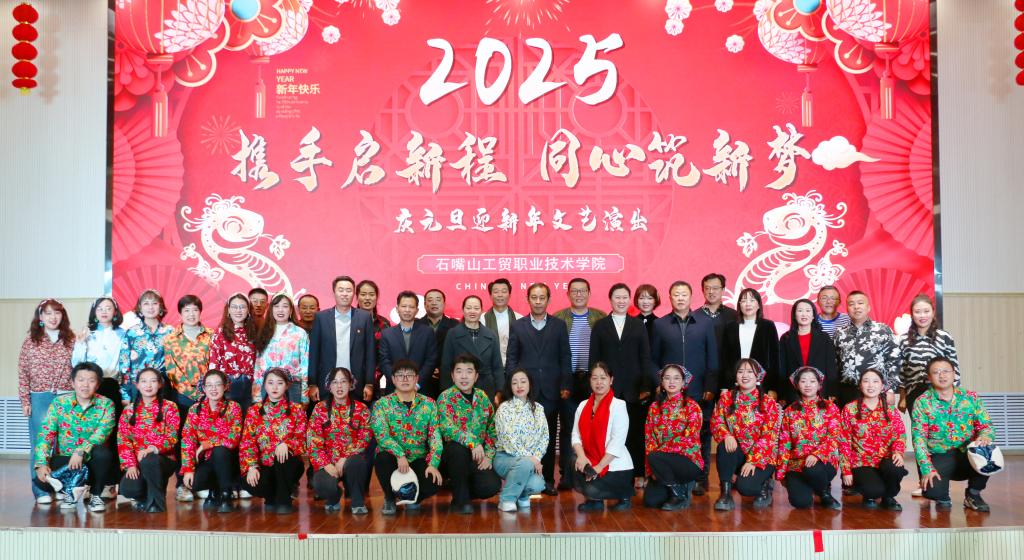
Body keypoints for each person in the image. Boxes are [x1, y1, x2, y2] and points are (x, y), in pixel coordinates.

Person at [650, 281, 719, 496]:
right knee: (672, 435)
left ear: (691, 297)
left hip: (698, 391)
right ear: (670, 298)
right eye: (676, 294)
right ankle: (674, 477)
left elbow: (712, 359)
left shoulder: (705, 323)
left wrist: (710, 386)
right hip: (670, 393)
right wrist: (658, 384)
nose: (680, 298)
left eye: (684, 294)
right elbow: (653, 360)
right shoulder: (660, 325)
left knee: (701, 436)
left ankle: (700, 479)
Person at [505, 283, 572, 495]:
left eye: (542, 297)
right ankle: (525, 479)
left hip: (552, 390)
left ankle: (547, 481)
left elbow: (565, 357)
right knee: (525, 437)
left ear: (548, 300)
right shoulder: (518, 326)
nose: (538, 301)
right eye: (534, 297)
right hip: (526, 391)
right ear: (528, 299)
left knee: (548, 437)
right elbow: (512, 358)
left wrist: (565, 384)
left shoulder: (559, 325)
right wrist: (514, 385)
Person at [589, 283, 655, 489]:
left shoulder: (638, 325)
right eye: (617, 297)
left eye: (625, 297)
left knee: (635, 434)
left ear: (629, 300)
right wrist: (597, 385)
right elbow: (594, 359)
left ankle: (638, 473)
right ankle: (608, 473)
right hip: (608, 390)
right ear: (610, 299)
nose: (621, 301)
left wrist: (646, 387)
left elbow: (645, 358)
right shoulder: (600, 326)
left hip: (634, 390)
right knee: (608, 434)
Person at [913, 357, 996, 512]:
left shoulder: (970, 397)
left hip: (968, 453)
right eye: (936, 372)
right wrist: (926, 468)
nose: (942, 375)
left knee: (989, 452)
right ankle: (942, 495)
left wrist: (985, 436)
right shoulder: (922, 402)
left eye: (946, 371)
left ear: (954, 373)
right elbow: (919, 439)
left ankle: (973, 494)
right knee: (934, 493)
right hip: (939, 455)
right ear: (929, 377)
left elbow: (986, 425)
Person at [32, 362, 115, 513]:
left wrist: (81, 451)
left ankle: (95, 495)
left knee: (103, 453)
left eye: (91, 380)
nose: (85, 385)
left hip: (93, 461)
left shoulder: (106, 404)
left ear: (97, 384)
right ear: (72, 383)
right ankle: (70, 493)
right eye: (81, 380)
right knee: (41, 482)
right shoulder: (59, 403)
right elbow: (46, 434)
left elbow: (101, 434)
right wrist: (41, 463)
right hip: (66, 460)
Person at [19, 298, 76, 504]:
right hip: (40, 396)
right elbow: (23, 372)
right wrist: (25, 401)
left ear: (63, 316)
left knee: (63, 445)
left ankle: (60, 486)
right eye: (48, 313)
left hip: (66, 396)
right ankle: (41, 490)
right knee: (40, 445)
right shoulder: (31, 341)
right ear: (41, 317)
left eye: (57, 313)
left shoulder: (71, 340)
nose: (53, 317)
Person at [370, 359, 443, 515]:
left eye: (409, 375)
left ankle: (412, 498)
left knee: (434, 481)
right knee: (382, 458)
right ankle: (390, 498)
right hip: (392, 458)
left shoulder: (429, 404)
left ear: (416, 378)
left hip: (417, 457)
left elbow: (435, 437)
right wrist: (400, 454)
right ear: (393, 379)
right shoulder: (382, 404)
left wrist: (433, 464)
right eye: (400, 375)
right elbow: (382, 435)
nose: (405, 379)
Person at [162, 294, 213, 502]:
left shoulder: (211, 336)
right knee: (183, 440)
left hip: (209, 395)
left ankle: (201, 482)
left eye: (195, 310)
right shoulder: (171, 338)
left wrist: (205, 391)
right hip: (181, 396)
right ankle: (183, 484)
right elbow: (171, 369)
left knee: (205, 437)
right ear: (180, 314)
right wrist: (191, 393)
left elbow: (215, 365)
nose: (191, 314)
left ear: (200, 312)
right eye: (186, 311)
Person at [711, 359, 781, 511]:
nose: (745, 375)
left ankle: (765, 485)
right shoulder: (726, 398)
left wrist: (753, 461)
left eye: (750, 372)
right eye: (740, 371)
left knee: (746, 488)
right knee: (724, 445)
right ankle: (725, 494)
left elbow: (769, 436)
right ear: (735, 375)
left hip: (762, 456)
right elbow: (717, 422)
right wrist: (726, 435)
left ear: (758, 376)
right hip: (737, 453)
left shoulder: (768, 402)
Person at [436, 354, 502, 513]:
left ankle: (460, 492)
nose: (464, 376)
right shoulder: (445, 397)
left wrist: (489, 456)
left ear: (476, 376)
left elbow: (492, 429)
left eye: (469, 371)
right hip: (452, 457)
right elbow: (446, 427)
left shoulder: (482, 397)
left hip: (477, 457)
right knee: (457, 449)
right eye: (459, 371)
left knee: (492, 486)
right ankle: (461, 501)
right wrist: (473, 443)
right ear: (452, 376)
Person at [240, 368, 308, 514]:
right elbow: (247, 442)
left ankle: (284, 500)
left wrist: (287, 444)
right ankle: (271, 497)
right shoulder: (254, 411)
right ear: (264, 385)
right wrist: (251, 466)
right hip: (264, 464)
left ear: (287, 385)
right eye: (270, 383)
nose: (275, 387)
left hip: (288, 464)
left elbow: (302, 439)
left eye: (280, 383)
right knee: (248, 481)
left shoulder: (297, 409)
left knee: (283, 456)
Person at [839, 369, 908, 511]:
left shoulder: (890, 410)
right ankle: (869, 491)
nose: (870, 385)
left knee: (895, 468)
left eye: (875, 381)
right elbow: (844, 441)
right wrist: (846, 470)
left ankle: (889, 497)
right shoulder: (849, 409)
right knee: (873, 491)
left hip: (885, 459)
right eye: (866, 381)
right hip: (861, 462)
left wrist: (898, 452)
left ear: (882, 386)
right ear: (860, 385)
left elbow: (900, 435)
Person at [776, 367, 843, 510]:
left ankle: (824, 493)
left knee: (813, 470)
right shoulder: (789, 411)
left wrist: (817, 454)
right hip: (797, 463)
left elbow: (834, 436)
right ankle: (811, 487)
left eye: (812, 381)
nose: (808, 385)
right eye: (803, 381)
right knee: (800, 503)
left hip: (823, 461)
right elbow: (784, 443)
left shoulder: (830, 407)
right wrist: (781, 473)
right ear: (796, 385)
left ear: (819, 385)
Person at [308, 367, 372, 515]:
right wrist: (326, 464)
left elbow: (365, 437)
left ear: (350, 384)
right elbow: (313, 442)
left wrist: (345, 457)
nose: (339, 386)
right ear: (329, 387)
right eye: (335, 382)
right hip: (328, 461)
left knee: (358, 463)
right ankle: (334, 497)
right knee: (320, 484)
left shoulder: (361, 409)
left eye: (343, 381)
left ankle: (357, 502)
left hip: (351, 461)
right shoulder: (320, 409)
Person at [570, 362, 633, 512]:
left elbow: (617, 443)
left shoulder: (619, 405)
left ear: (611, 380)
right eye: (595, 378)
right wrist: (582, 457)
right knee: (573, 459)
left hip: (613, 464)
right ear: (590, 381)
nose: (599, 382)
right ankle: (595, 500)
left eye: (603, 378)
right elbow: (575, 435)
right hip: (590, 459)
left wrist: (598, 467)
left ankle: (622, 495)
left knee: (597, 480)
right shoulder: (582, 405)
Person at [117, 368, 180, 513]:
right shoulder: (129, 410)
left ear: (160, 384)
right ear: (137, 385)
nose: (148, 385)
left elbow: (172, 437)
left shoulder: (170, 407)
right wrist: (130, 465)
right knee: (128, 488)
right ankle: (144, 496)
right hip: (138, 461)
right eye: (144, 381)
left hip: (162, 459)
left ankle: (156, 505)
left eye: (153, 381)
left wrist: (151, 449)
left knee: (151, 460)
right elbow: (123, 440)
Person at [180, 369, 243, 513]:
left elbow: (233, 439)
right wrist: (188, 468)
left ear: (225, 386)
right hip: (206, 460)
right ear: (204, 388)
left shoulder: (233, 407)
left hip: (229, 460)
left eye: (218, 384)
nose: (213, 389)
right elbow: (187, 439)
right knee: (194, 482)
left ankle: (226, 494)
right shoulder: (195, 409)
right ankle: (213, 490)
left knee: (220, 451)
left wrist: (205, 445)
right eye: (209, 385)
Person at [643, 364, 703, 511]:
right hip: (660, 463)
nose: (671, 382)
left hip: (687, 460)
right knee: (651, 501)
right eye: (667, 378)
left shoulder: (692, 406)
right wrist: (652, 469)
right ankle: (676, 488)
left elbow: (689, 439)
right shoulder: (654, 407)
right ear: (662, 382)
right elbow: (649, 438)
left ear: (683, 383)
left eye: (676, 378)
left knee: (655, 456)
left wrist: (658, 456)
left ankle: (680, 494)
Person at [309, 276, 376, 403]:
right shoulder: (321, 318)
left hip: (357, 384)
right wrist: (312, 383)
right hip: (327, 383)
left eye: (349, 290)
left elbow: (370, 354)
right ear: (334, 292)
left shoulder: (364, 317)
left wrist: (369, 383)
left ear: (354, 294)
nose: (345, 294)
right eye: (341, 290)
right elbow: (314, 354)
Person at [492, 368, 548, 512]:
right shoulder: (504, 408)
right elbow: (508, 440)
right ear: (510, 387)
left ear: (530, 384)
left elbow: (544, 437)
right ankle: (506, 500)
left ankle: (522, 496)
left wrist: (536, 457)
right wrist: (531, 460)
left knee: (538, 485)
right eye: (514, 383)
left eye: (523, 381)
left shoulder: (539, 409)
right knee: (524, 464)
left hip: (530, 460)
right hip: (505, 457)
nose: (519, 386)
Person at [834, 291, 900, 404]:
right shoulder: (840, 334)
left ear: (868, 307)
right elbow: (835, 365)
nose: (856, 307)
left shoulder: (882, 330)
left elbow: (894, 360)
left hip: (876, 391)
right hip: (847, 392)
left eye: (860, 303)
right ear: (847, 309)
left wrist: (890, 389)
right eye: (851, 304)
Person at [898, 294, 960, 415]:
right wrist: (902, 397)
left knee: (941, 426)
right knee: (919, 426)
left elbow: (954, 368)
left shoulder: (944, 337)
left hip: (940, 392)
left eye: (926, 311)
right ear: (912, 314)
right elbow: (901, 372)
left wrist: (955, 394)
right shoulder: (903, 340)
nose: (922, 315)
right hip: (914, 394)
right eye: (918, 312)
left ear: (933, 312)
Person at [441, 295, 505, 400]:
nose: (472, 311)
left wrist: (500, 391)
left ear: (481, 311)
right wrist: (447, 391)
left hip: (486, 387)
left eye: (476, 308)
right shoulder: (453, 333)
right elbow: (446, 365)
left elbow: (497, 366)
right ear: (463, 310)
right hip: (460, 386)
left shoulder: (491, 335)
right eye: (468, 308)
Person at [719, 288, 780, 397]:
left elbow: (775, 359)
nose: (748, 304)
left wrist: (773, 387)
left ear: (758, 305)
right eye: (744, 300)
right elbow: (725, 359)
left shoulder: (768, 326)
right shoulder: (730, 327)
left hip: (762, 385)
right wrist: (724, 387)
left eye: (752, 300)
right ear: (739, 305)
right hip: (735, 384)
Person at [779, 298, 839, 405]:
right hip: (793, 391)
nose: (804, 314)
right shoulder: (786, 338)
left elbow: (831, 367)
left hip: (820, 390)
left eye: (808, 310)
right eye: (800, 310)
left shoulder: (824, 338)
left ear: (813, 315)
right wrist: (782, 393)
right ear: (794, 315)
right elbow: (782, 368)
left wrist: (832, 391)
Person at [72, 297, 126, 416]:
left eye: (108, 308)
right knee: (90, 419)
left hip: (112, 383)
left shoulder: (122, 334)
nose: (104, 312)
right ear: (94, 312)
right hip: (90, 384)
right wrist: (80, 343)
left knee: (112, 419)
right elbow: (77, 363)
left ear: (115, 312)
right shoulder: (87, 333)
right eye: (100, 309)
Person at [117, 289, 173, 403]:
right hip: (137, 386)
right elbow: (124, 364)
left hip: (163, 386)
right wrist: (125, 394)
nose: (150, 307)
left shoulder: (170, 332)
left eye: (154, 303)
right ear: (140, 308)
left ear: (161, 307)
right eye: (146, 303)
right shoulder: (132, 333)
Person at [253, 293, 311, 404]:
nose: (280, 310)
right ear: (271, 309)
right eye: (276, 306)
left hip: (292, 386)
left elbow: (305, 365)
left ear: (291, 310)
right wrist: (256, 394)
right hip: (267, 386)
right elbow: (258, 365)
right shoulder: (264, 332)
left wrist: (304, 394)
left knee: (292, 415)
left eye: (285, 306)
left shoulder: (300, 333)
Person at [380, 291, 438, 396]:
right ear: (397, 309)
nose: (407, 310)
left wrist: (417, 384)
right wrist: (397, 383)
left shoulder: (428, 332)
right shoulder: (387, 334)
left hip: (421, 390)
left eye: (411, 307)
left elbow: (431, 360)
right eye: (404, 306)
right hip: (394, 390)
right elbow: (384, 362)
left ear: (417, 310)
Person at [208, 293, 258, 411]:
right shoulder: (220, 333)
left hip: (250, 384)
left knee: (248, 417)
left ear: (248, 310)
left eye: (242, 307)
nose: (238, 310)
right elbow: (214, 362)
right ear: (229, 310)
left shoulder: (254, 332)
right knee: (229, 417)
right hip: (228, 383)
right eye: (234, 307)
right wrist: (215, 385)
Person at [417, 288, 460, 397]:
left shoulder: (455, 325)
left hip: (447, 381)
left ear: (444, 304)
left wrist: (443, 369)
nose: (434, 303)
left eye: (438, 299)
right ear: (425, 304)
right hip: (421, 382)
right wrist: (428, 370)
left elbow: (459, 353)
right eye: (430, 300)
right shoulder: (416, 325)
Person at [356, 279, 391, 394]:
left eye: (371, 294)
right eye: (363, 294)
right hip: (348, 380)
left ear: (376, 297)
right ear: (357, 297)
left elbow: (385, 355)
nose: (367, 298)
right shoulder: (349, 321)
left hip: (375, 381)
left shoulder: (384, 324)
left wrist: (372, 378)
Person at [482, 278, 522, 367]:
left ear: (509, 295)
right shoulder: (481, 319)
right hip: (488, 368)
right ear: (490, 295)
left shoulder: (520, 319)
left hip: (514, 368)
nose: (500, 295)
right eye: (496, 292)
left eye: (504, 291)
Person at [699, 273, 737, 347]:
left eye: (715, 288)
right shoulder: (694, 317)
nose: (711, 291)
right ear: (702, 290)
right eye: (707, 288)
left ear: (723, 290)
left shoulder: (734, 315)